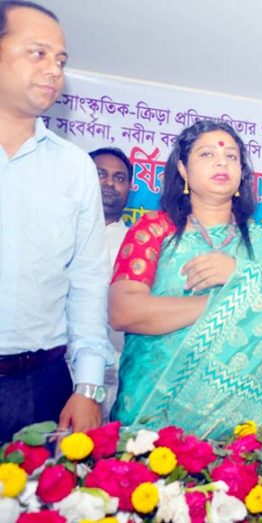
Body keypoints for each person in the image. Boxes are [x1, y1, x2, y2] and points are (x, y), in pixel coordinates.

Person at [109, 120, 262, 437]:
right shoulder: (155, 230)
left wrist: (241, 275)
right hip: (154, 414)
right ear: (183, 169)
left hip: (245, 430)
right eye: (207, 154)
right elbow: (124, 311)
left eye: (232, 157)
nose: (222, 162)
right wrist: (230, 300)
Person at [0, 1, 113, 441]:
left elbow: (87, 280)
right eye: (38, 53)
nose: (53, 70)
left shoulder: (74, 167)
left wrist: (88, 386)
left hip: (39, 385)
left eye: (61, 60)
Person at [89, 146, 133, 420]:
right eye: (100, 174)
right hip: (47, 369)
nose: (109, 183)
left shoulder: (139, 247)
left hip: (112, 377)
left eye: (119, 178)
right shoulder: (56, 233)